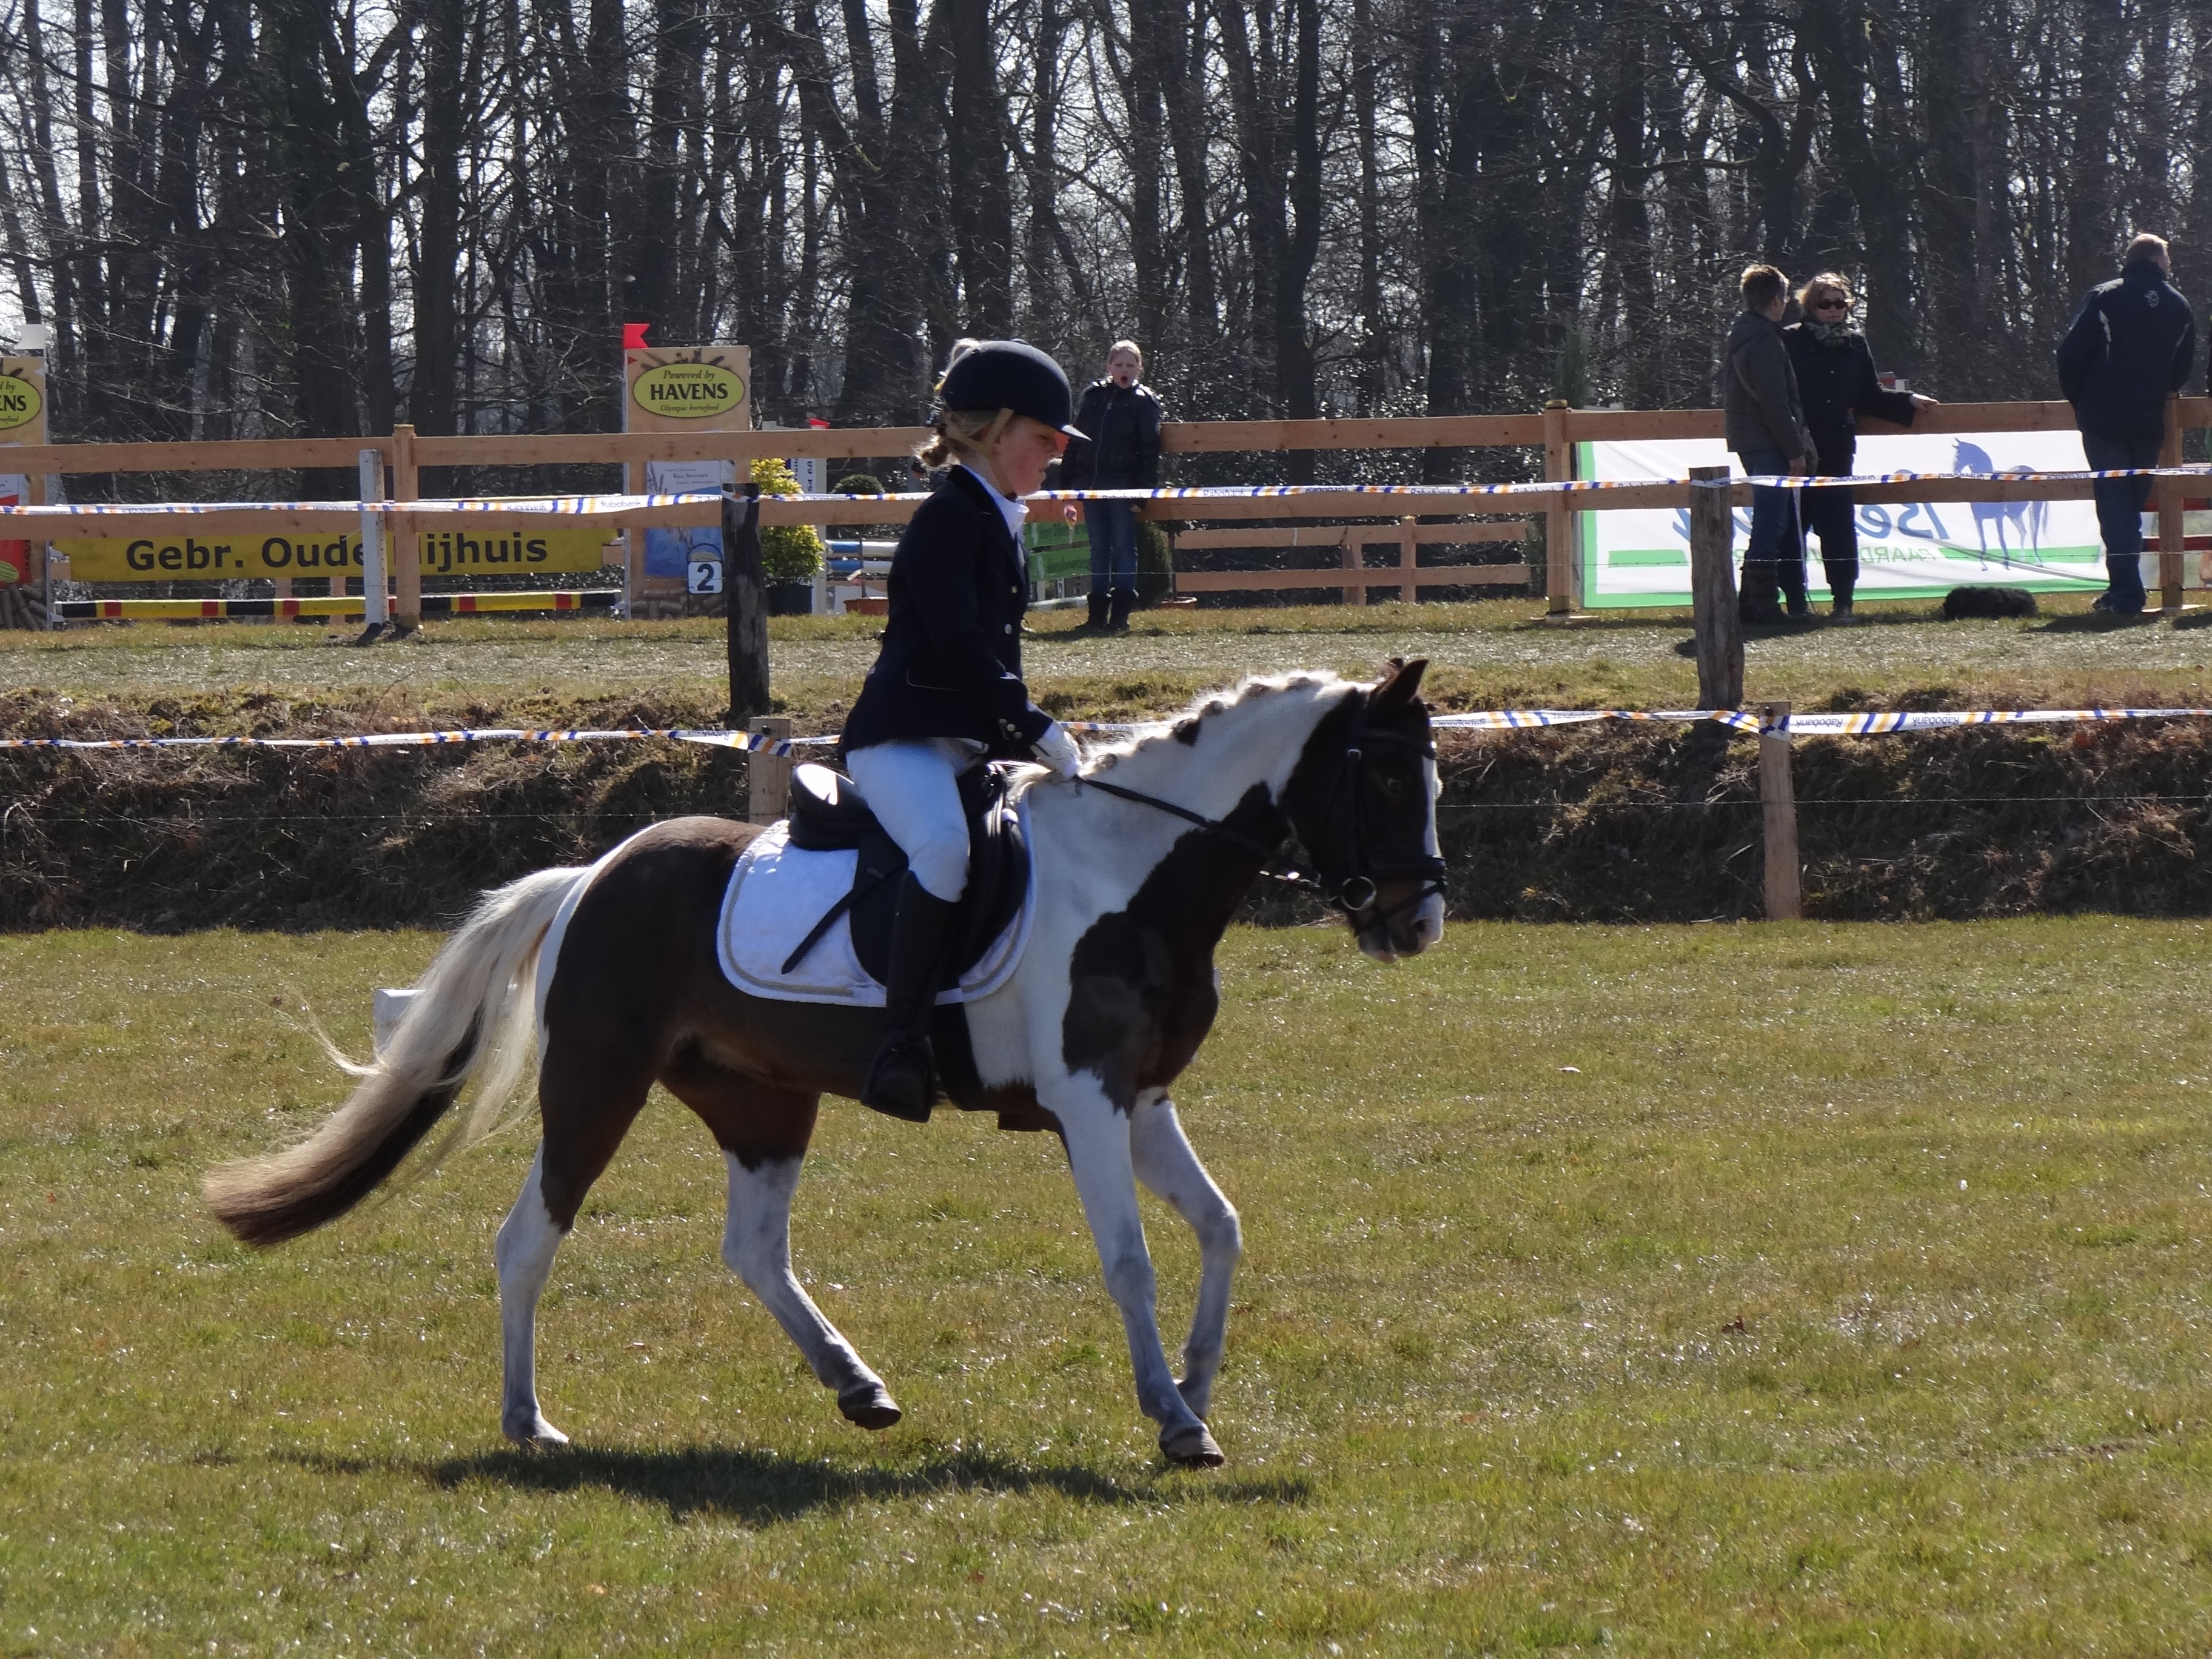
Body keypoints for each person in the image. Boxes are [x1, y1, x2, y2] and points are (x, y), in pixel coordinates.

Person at [839, 339, 1087, 1121]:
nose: (1053, 456)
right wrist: (1031, 720)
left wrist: (1019, 728)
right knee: (944, 852)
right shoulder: (948, 518)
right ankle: (901, 1047)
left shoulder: (992, 515)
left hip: (966, 744)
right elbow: (959, 645)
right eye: (1043, 440)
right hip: (901, 741)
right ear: (994, 432)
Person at [2056, 233, 2197, 615]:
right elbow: (2180, 371)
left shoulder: (2106, 296)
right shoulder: (2179, 306)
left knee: (2115, 506)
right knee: (2131, 506)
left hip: (2103, 418)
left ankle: (2125, 595)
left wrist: (2082, 401)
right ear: (2157, 260)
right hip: (2149, 419)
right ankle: (2125, 590)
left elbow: (2069, 355)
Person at [1784, 273, 1937, 622]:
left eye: (1841, 303)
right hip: (1798, 448)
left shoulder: (1856, 344)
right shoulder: (1790, 341)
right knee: (1793, 527)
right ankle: (1795, 604)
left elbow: (1870, 396)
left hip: (1838, 448)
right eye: (1826, 303)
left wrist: (1909, 400)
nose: (1834, 309)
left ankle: (1843, 602)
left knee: (1838, 526)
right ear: (1811, 306)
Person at [1723, 264, 1818, 623]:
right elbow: (1775, 402)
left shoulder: (1743, 335)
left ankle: (1753, 601)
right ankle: (1759, 605)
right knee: (1770, 522)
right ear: (1777, 299)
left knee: (1771, 519)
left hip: (1752, 439)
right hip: (1768, 443)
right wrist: (1794, 450)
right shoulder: (1764, 342)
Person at [1060, 340, 1164, 631]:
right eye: (1119, 364)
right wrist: (1067, 483)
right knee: (1098, 549)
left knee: (1124, 548)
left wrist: (1142, 494)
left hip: (1123, 487)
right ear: (1109, 367)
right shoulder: (1093, 396)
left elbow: (1149, 450)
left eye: (1131, 365)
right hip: (1091, 485)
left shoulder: (1145, 402)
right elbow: (1075, 439)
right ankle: (1095, 617)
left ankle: (1120, 618)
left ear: (1139, 369)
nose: (1125, 370)